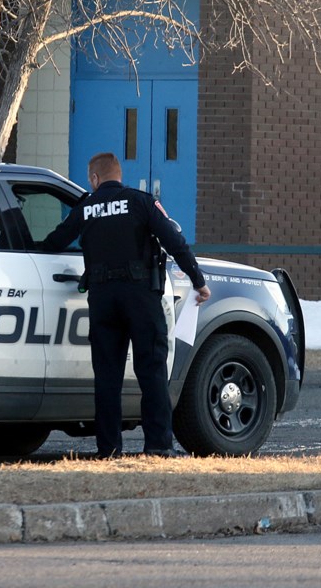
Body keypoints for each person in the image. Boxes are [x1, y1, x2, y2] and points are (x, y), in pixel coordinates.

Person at [42, 152, 211, 458]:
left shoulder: (87, 207)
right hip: (140, 296)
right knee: (151, 370)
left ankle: (108, 448)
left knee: (107, 375)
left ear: (95, 179)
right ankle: (158, 445)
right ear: (118, 175)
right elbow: (174, 242)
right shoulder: (140, 202)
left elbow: (55, 241)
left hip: (102, 298)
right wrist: (198, 281)